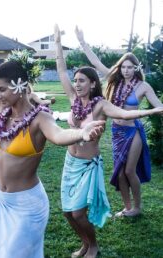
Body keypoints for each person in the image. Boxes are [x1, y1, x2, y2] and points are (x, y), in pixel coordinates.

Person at [0, 2, 106, 257]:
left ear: (20, 86)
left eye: (2, 89)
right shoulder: (3, 112)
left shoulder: (40, 118)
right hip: (4, 202)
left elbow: (58, 135)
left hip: (27, 205)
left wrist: (81, 132)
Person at [55, 24, 163, 258]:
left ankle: (101, 238)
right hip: (73, 161)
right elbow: (63, 71)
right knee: (67, 211)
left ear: (92, 84)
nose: (77, 84)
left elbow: (125, 114)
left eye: (82, 81)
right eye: (76, 80)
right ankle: (90, 239)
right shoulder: (79, 96)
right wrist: (58, 44)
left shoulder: (104, 104)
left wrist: (152, 112)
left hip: (104, 153)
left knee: (81, 211)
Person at [75, 26, 163, 217]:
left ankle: (137, 207)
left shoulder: (143, 86)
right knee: (120, 173)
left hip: (134, 131)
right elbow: (96, 63)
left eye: (130, 67)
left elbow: (158, 107)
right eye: (123, 66)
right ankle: (127, 207)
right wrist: (82, 42)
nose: (126, 70)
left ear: (136, 68)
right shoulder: (115, 82)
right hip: (117, 131)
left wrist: (158, 111)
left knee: (130, 171)